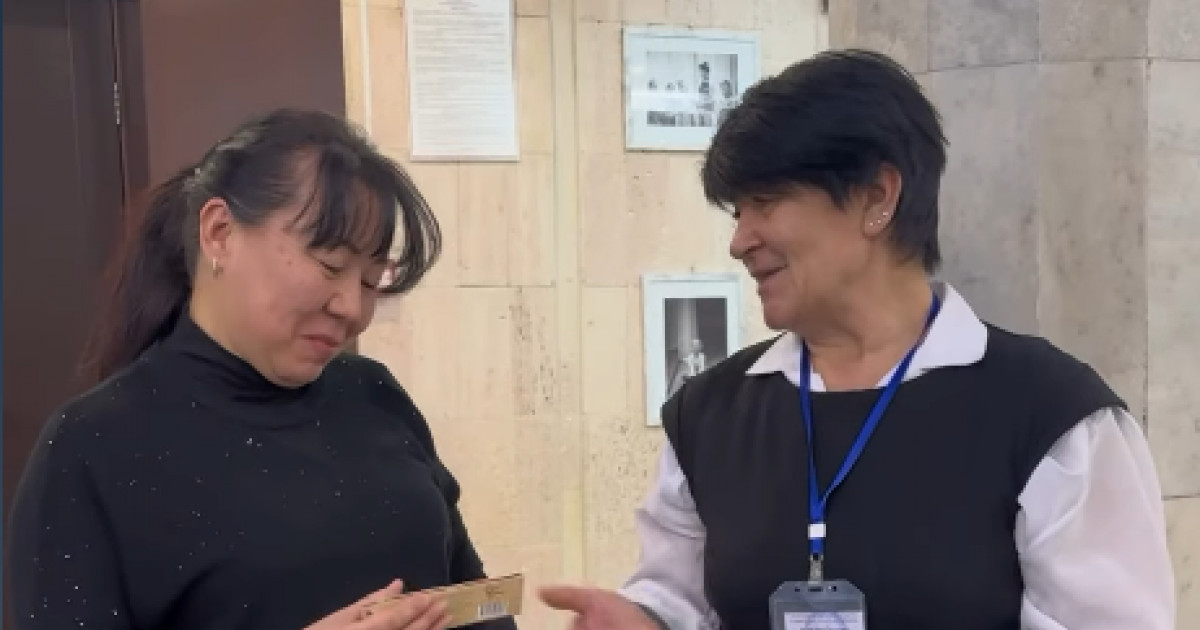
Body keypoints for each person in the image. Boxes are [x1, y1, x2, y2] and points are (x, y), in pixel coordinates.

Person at [540, 49, 1175, 630]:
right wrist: (645, 621)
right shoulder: (709, 415)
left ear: (877, 197)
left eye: (766, 202)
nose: (740, 241)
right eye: (737, 212)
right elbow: (678, 598)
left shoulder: (1051, 416)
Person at [6, 109, 518, 630]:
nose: (351, 308)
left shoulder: (374, 394)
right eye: (331, 265)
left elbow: (473, 602)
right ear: (220, 233)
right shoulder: (91, 447)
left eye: (370, 280)